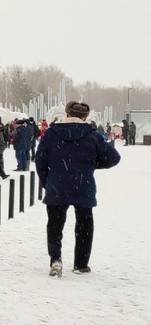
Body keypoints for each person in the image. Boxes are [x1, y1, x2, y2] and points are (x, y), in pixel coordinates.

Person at [36, 101, 121, 276]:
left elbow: (40, 161)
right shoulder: (92, 135)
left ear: (67, 114)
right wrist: (92, 165)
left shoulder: (51, 133)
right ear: (85, 117)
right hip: (83, 185)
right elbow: (114, 157)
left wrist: (47, 181)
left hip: (57, 184)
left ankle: (56, 259)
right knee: (84, 225)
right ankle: (81, 264)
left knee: (55, 225)